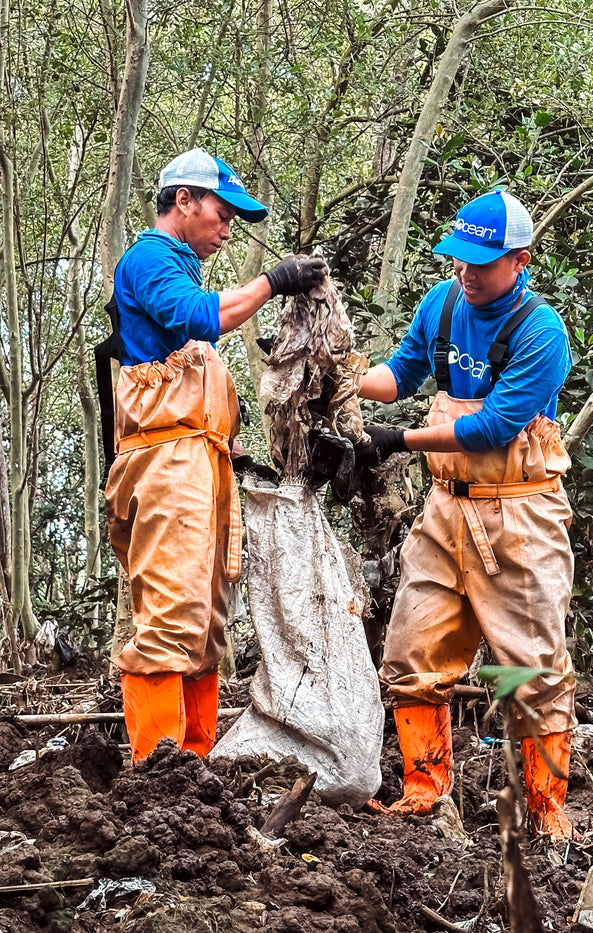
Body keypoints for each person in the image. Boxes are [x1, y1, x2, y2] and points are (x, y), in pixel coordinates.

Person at [356, 189, 576, 838]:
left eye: (481, 262)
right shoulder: (444, 302)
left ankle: (547, 811)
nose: (466, 272)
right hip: (445, 510)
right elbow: (398, 374)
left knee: (534, 671)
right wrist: (340, 377)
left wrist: (394, 439)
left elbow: (493, 426)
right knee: (410, 650)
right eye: (458, 259)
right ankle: (426, 792)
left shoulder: (542, 331)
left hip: (521, 515)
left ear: (521, 261)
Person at [104, 147, 327, 763]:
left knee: (206, 624)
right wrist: (274, 281)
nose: (227, 230)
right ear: (184, 201)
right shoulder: (150, 257)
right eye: (222, 214)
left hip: (201, 462)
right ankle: (156, 768)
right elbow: (198, 317)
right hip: (166, 462)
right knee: (171, 616)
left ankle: (193, 768)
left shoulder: (180, 264)